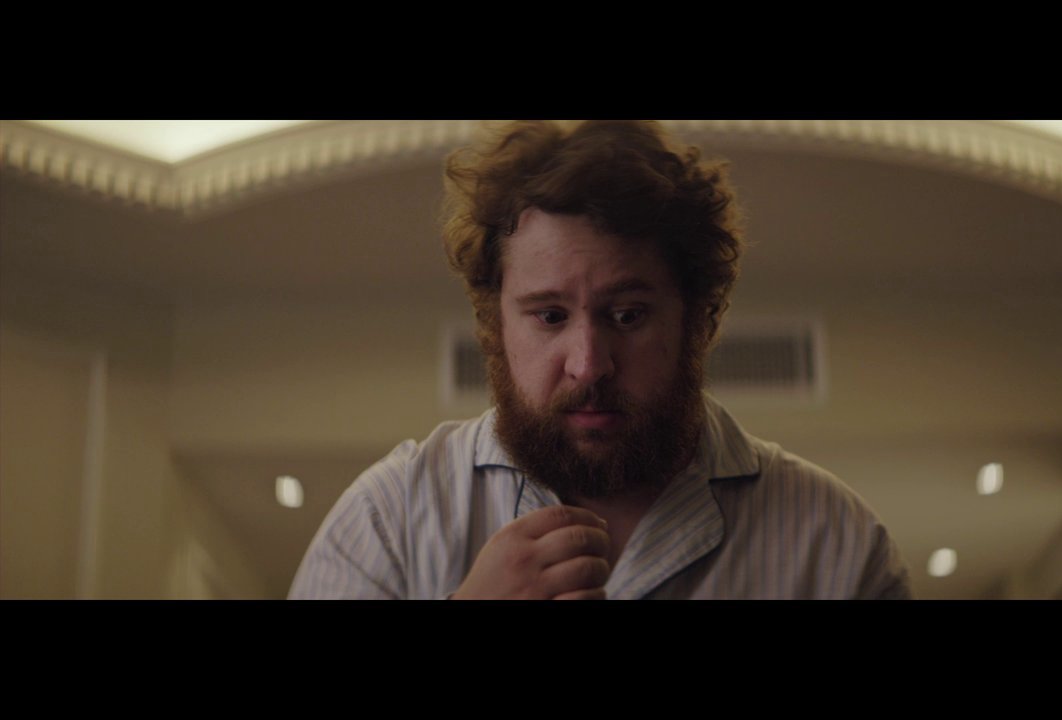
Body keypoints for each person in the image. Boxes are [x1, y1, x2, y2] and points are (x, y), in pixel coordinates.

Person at [289, 120, 911, 600]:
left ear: (699, 317)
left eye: (629, 315)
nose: (589, 366)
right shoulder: (389, 518)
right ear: (495, 324)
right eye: (549, 316)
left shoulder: (836, 542)